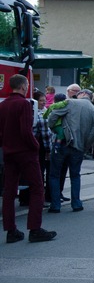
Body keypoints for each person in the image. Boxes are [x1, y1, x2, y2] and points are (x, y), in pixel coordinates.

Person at [1, 74, 57, 243]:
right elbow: (26, 131)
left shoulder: (3, 105)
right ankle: (34, 228)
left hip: (8, 152)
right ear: (24, 87)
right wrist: (35, 146)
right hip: (25, 152)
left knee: (9, 192)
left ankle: (11, 230)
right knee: (37, 188)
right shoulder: (24, 105)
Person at [46, 87, 94, 213]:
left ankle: (55, 205)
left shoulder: (71, 103)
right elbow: (93, 134)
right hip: (79, 147)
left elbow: (53, 115)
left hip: (62, 143)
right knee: (75, 175)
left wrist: (55, 129)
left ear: (83, 94)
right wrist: (84, 148)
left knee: (54, 174)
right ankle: (76, 203)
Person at [32, 91, 53, 204]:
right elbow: (46, 134)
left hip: (33, 146)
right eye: (41, 100)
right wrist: (48, 150)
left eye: (44, 100)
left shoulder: (41, 112)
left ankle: (26, 198)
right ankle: (40, 198)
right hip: (41, 147)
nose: (43, 102)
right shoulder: (41, 114)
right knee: (40, 172)